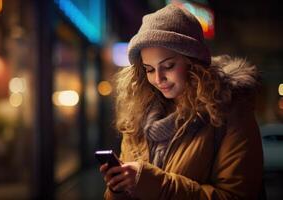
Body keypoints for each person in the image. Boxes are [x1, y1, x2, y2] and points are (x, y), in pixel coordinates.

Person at [99, 3, 264, 200]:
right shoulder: (138, 117)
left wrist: (150, 183)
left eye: (168, 66)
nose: (158, 79)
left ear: (192, 60)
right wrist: (118, 189)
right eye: (149, 69)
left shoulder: (230, 111)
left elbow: (236, 196)